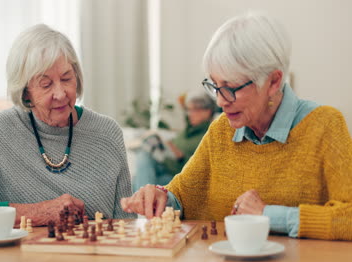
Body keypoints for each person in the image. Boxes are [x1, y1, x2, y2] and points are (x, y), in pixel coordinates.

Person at [121, 13, 352, 240]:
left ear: (273, 81)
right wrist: (161, 197)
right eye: (214, 85)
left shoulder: (325, 125)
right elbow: (181, 195)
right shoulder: (222, 129)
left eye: (231, 87)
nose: (220, 101)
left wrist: (267, 215)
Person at [0, 24, 135, 230]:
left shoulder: (107, 133)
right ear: (25, 92)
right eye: (46, 84)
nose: (61, 93)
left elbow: (126, 223)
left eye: (66, 78)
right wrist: (39, 213)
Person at [132, 93, 216, 191]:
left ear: (207, 112)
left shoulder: (208, 135)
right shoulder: (187, 131)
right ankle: (143, 201)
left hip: (178, 175)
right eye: (188, 110)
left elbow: (202, 169)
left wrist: (181, 157)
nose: (189, 114)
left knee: (142, 168)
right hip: (166, 167)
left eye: (194, 110)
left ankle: (142, 201)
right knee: (140, 170)